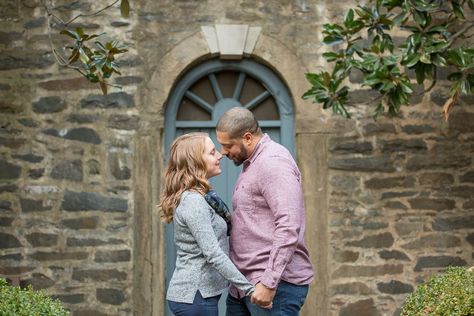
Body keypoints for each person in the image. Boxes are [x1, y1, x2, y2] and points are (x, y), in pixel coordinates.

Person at [216, 107, 314, 316]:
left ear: (248, 138)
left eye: (228, 145)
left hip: (274, 287)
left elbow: (288, 226)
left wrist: (269, 283)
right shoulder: (253, 163)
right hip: (244, 286)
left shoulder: (273, 163)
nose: (223, 152)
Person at [160, 132, 262, 316]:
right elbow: (213, 254)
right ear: (196, 161)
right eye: (212, 152)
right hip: (194, 297)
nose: (219, 155)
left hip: (200, 296)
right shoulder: (193, 201)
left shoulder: (203, 197)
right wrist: (250, 290)